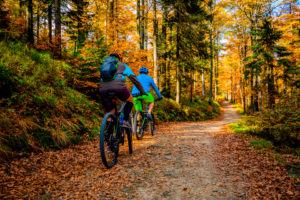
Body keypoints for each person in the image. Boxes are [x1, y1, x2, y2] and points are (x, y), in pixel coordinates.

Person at [99, 53, 146, 127]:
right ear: (118, 59)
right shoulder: (122, 65)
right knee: (130, 99)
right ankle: (125, 120)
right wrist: (142, 91)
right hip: (119, 87)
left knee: (110, 111)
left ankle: (108, 134)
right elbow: (134, 79)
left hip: (103, 89)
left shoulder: (104, 65)